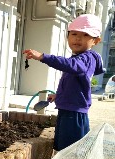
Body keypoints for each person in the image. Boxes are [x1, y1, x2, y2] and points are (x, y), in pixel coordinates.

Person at [23, 14, 104, 151]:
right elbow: (73, 84)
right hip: (68, 109)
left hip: (74, 113)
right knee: (63, 148)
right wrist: (58, 95)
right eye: (74, 34)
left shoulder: (87, 58)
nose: (78, 38)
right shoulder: (78, 58)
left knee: (70, 151)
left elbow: (72, 66)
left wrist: (43, 57)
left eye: (85, 35)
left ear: (95, 41)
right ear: (68, 37)